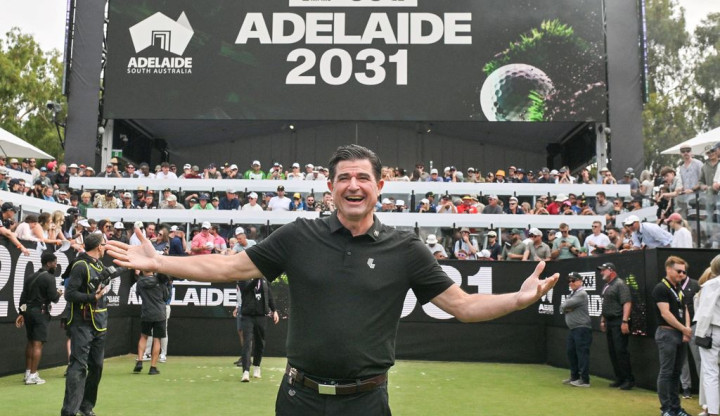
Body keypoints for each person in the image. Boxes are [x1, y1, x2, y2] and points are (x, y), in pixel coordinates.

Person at [106, 144, 558, 414]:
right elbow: (228, 267)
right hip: (298, 398)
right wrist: (160, 262)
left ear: (380, 186)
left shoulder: (406, 249)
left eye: (363, 177)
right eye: (344, 178)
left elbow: (464, 306)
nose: (353, 185)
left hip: (366, 402)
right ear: (331, 188)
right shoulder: (298, 236)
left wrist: (517, 300)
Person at [61, 234, 108, 416]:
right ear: (98, 246)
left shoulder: (100, 265)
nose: (105, 247)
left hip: (99, 322)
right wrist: (92, 297)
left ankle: (86, 406)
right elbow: (69, 294)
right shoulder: (80, 265)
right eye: (104, 244)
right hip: (81, 323)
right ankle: (69, 411)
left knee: (97, 366)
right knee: (78, 366)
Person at [652, 256, 692, 416]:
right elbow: (665, 313)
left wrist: (686, 329)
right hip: (667, 333)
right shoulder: (661, 288)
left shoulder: (679, 288)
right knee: (666, 372)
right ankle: (666, 409)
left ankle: (676, 408)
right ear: (668, 269)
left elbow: (686, 309)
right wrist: (684, 329)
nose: (682, 274)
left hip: (679, 333)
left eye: (684, 272)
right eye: (679, 271)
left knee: (676, 373)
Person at [16, 253, 62, 385]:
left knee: (31, 342)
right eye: (54, 263)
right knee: (37, 344)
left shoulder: (30, 277)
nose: (56, 265)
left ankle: (28, 372)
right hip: (40, 314)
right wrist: (59, 293)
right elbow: (53, 298)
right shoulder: (50, 278)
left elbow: (23, 296)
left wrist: (21, 313)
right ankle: (33, 375)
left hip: (28, 313)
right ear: (48, 263)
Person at [598, 262, 635, 390]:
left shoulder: (620, 284)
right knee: (613, 351)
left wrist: (624, 321)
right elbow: (605, 304)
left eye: (603, 270)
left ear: (611, 271)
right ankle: (619, 378)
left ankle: (628, 380)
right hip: (609, 321)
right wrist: (603, 320)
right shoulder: (607, 285)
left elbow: (627, 303)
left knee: (620, 351)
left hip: (619, 321)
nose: (601, 272)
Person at [239, 277, 279, 382]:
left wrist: (274, 310)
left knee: (260, 342)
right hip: (247, 315)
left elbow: (269, 295)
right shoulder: (244, 278)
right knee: (247, 342)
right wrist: (257, 278)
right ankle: (245, 371)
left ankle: (257, 366)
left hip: (261, 316)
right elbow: (247, 288)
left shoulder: (264, 280)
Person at [695, 255, 720, 416]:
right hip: (713, 329)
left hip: (713, 330)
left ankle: (712, 412)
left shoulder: (711, 284)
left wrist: (700, 334)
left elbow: (704, 312)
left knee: (710, 372)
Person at [133, 271, 169, 375]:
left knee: (143, 337)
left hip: (146, 313)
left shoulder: (140, 282)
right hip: (159, 314)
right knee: (157, 339)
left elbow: (138, 294)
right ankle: (153, 367)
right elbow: (166, 297)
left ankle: (140, 361)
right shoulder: (160, 281)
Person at [561, 272, 592, 388]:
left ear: (580, 281)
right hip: (573, 328)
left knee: (582, 354)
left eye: (573, 280)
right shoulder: (573, 294)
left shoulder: (581, 294)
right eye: (569, 281)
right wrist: (565, 307)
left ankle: (584, 380)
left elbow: (565, 305)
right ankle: (574, 377)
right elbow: (562, 307)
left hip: (582, 328)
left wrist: (565, 307)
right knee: (571, 353)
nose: (571, 283)